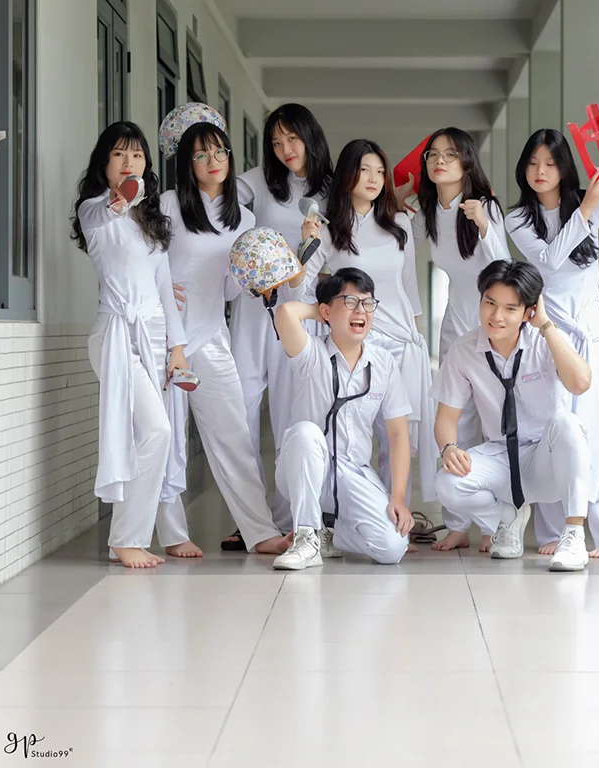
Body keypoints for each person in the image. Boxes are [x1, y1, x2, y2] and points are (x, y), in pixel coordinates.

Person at [505, 130, 599, 558]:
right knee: (553, 428)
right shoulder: (518, 219)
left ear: (564, 167)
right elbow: (550, 260)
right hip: (547, 336)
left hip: (588, 337)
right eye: (532, 162)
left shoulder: (590, 202)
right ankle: (554, 532)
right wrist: (587, 208)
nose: (540, 171)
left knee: (597, 433)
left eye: (550, 163)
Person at [160, 111, 292, 556]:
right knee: (168, 435)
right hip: (166, 336)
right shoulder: (169, 205)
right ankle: (173, 534)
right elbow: (149, 260)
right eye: (201, 155)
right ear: (187, 163)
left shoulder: (244, 218)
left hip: (211, 333)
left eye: (219, 151)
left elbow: (231, 290)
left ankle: (260, 531)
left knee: (234, 434)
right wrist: (161, 288)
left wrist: (259, 278)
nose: (213, 161)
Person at [71, 122, 199, 569]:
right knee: (157, 431)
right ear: (104, 163)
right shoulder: (94, 211)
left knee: (157, 435)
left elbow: (163, 288)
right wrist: (121, 198)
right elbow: (108, 211)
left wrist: (177, 347)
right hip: (114, 336)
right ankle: (126, 538)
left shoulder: (150, 220)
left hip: (154, 336)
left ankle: (132, 537)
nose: (129, 162)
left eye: (138, 155)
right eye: (119, 154)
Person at [299, 138, 437, 506]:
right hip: (356, 342)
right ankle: (344, 511)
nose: (374, 178)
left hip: (401, 339)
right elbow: (304, 286)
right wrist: (307, 245)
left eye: (379, 171)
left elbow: (408, 284)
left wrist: (416, 330)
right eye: (364, 170)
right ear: (348, 175)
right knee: (350, 433)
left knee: (399, 434)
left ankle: (395, 512)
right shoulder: (329, 228)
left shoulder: (399, 223)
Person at [433, 260, 593, 572]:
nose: (496, 316)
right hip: (501, 457)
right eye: (490, 303)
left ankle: (574, 535)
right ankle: (507, 518)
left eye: (510, 308)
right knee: (447, 484)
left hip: (546, 458)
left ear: (528, 311)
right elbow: (446, 418)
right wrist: (449, 447)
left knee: (567, 424)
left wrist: (545, 325)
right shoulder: (464, 350)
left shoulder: (545, 341)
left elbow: (580, 383)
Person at [227, 103, 333, 537]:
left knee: (293, 415)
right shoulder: (260, 181)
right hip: (254, 309)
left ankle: (290, 519)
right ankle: (250, 521)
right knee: (241, 410)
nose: (285, 149)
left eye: (292, 138)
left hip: (299, 311)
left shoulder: (332, 190)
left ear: (310, 136)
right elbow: (216, 194)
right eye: (276, 142)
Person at [272, 268, 414, 570]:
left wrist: (399, 497)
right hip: (305, 464)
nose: (361, 310)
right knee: (306, 432)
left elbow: (398, 434)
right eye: (350, 302)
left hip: (353, 472)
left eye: (367, 303)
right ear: (326, 311)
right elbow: (285, 313)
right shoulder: (310, 353)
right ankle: (306, 538)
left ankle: (329, 534)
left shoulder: (383, 363)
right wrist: (322, 311)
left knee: (392, 547)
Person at [410, 127, 510, 552]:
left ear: (467, 161)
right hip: (455, 320)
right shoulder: (427, 211)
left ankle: (495, 524)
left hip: (493, 322)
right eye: (433, 155)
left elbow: (504, 266)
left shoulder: (485, 206)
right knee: (455, 416)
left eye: (450, 155)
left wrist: (484, 225)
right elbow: (397, 241)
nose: (440, 161)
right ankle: (457, 523)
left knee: (494, 418)